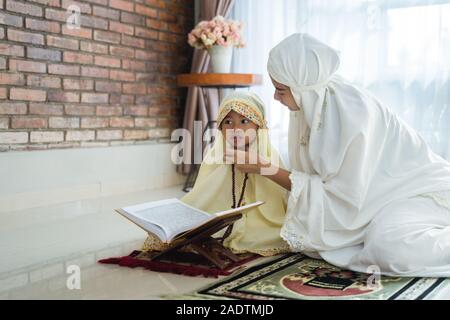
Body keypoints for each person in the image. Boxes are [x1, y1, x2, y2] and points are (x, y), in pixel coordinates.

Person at [226, 33, 450, 277]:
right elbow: (314, 173)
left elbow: (344, 199)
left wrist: (265, 168)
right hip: (385, 199)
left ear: (303, 87)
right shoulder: (314, 104)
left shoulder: (353, 113)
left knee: (389, 249)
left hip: (423, 194)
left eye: (280, 89)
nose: (275, 97)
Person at [142, 91, 290, 256]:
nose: (236, 129)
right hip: (222, 219)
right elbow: (204, 194)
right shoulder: (215, 157)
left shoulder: (270, 156)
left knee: (274, 234)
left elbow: (278, 199)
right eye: (228, 122)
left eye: (244, 121)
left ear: (258, 125)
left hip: (260, 222)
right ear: (220, 127)